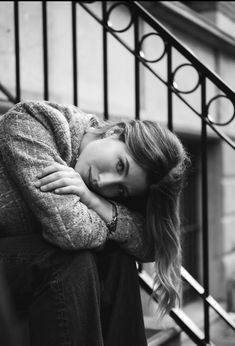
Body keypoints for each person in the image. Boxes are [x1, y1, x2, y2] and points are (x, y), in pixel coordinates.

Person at [0, 100, 189, 345]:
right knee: (68, 259)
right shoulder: (33, 121)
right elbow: (69, 230)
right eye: (120, 165)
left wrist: (96, 203)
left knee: (118, 259)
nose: (104, 182)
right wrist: (108, 219)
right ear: (115, 132)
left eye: (120, 190)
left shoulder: (95, 190)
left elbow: (150, 245)